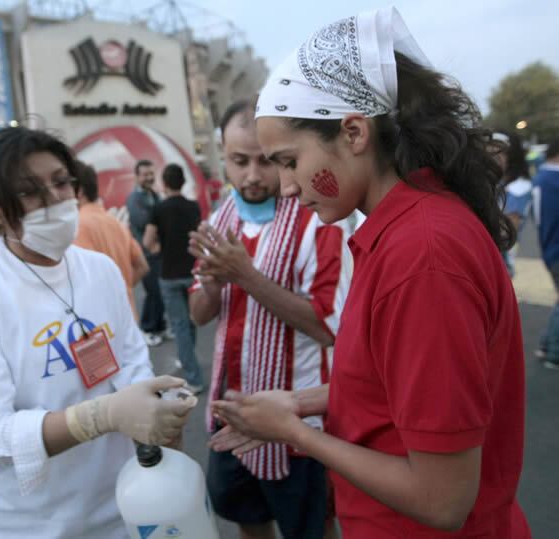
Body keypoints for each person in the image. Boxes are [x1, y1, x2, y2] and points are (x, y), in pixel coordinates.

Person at [210, 8, 530, 539]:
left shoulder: (421, 256)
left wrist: (296, 432)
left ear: (354, 132)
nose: (286, 186)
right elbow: (395, 389)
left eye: (289, 161)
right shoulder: (406, 229)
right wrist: (303, 401)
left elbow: (442, 499)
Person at [0, 127, 196, 538]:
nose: (54, 200)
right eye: (30, 192)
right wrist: (99, 416)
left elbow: (132, 362)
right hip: (26, 524)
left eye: (60, 182)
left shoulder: (99, 270)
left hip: (126, 506)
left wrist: (159, 410)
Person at [190, 99, 354, 539]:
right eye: (238, 161)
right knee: (248, 521)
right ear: (222, 156)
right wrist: (211, 283)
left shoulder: (318, 219)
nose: (252, 176)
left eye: (266, 161)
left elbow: (327, 328)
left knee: (313, 528)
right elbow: (199, 314)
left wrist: (245, 276)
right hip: (233, 411)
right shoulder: (219, 217)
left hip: (300, 420)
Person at [143, 163, 204, 393]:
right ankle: (188, 359)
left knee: (179, 326)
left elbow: (148, 242)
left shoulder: (158, 209)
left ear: (165, 184)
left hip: (168, 274)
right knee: (191, 322)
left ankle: (193, 376)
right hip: (192, 271)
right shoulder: (193, 206)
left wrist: (160, 249)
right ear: (183, 182)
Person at [73, 160, 148, 317]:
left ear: (78, 191)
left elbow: (85, 283)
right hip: (129, 317)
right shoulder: (116, 223)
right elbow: (142, 266)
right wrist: (124, 288)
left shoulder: (78, 226)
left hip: (102, 325)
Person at [126, 159, 167, 346]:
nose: (149, 178)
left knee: (160, 292)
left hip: (159, 253)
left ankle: (159, 326)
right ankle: (148, 328)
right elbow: (144, 222)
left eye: (151, 174)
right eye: (145, 174)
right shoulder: (134, 199)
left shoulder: (154, 195)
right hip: (146, 254)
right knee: (153, 292)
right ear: (137, 177)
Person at [533, 138, 559, 368]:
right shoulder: (555, 179)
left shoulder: (541, 178)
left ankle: (546, 344)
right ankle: (554, 352)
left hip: (549, 246)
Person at [500, 132, 533, 277]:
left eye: (499, 151)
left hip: (502, 260)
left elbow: (508, 230)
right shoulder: (501, 182)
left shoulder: (519, 186)